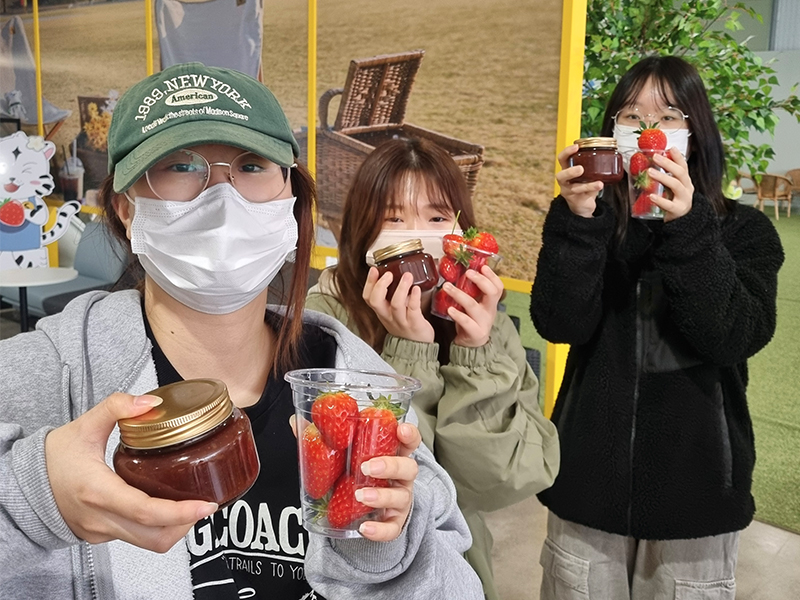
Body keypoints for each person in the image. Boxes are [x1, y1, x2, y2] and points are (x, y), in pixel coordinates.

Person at [0, 62, 485, 600]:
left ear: (291, 203)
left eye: (252, 165)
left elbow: (458, 586)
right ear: (125, 208)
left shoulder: (358, 385)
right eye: (180, 165)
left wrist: (383, 551)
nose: (222, 198)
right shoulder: (37, 379)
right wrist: (34, 502)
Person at [530, 55, 785, 599]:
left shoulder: (744, 231)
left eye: (668, 115)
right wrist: (578, 222)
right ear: (611, 132)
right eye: (630, 115)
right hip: (586, 484)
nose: (647, 128)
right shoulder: (592, 221)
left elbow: (734, 336)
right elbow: (557, 323)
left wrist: (688, 226)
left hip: (697, 494)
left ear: (697, 132)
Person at [305, 137, 560, 600]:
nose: (416, 234)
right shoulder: (328, 318)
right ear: (362, 230)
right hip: (352, 567)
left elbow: (494, 484)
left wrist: (475, 352)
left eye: (438, 218)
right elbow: (359, 485)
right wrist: (408, 351)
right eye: (393, 218)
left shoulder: (488, 326)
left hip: (455, 566)